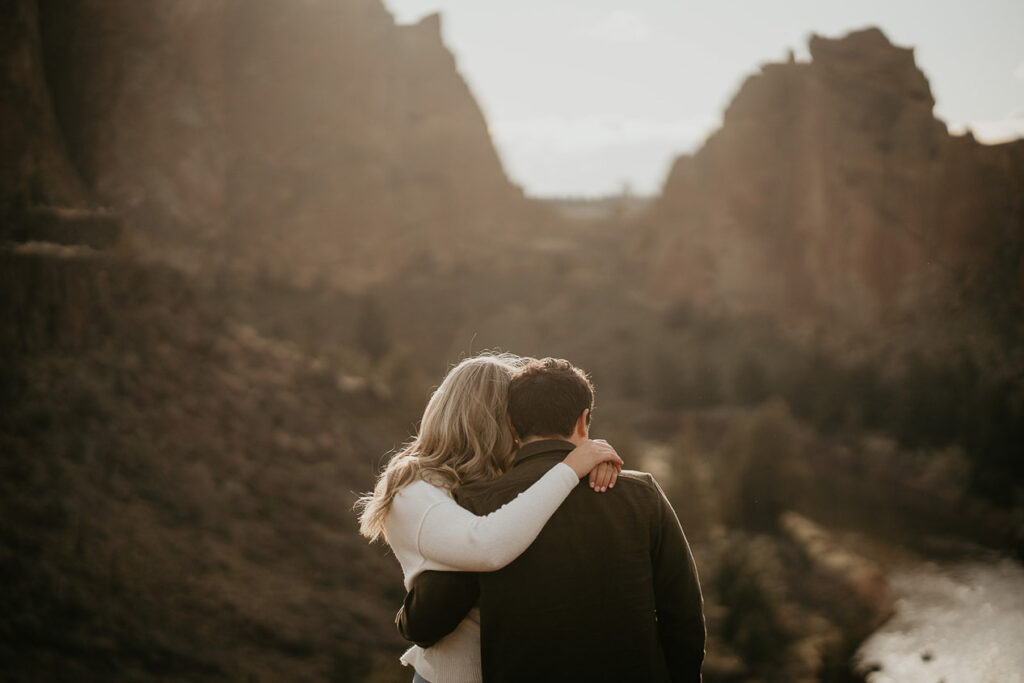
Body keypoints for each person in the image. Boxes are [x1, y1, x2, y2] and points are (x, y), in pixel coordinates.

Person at [398, 357, 706, 682]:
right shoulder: (642, 494)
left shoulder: (478, 502)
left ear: (512, 425)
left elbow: (431, 619)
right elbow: (683, 617)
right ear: (584, 421)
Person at [355, 353, 624, 683]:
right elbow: (486, 546)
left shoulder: (500, 480)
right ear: (495, 420)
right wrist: (570, 468)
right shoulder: (413, 487)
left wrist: (591, 458)